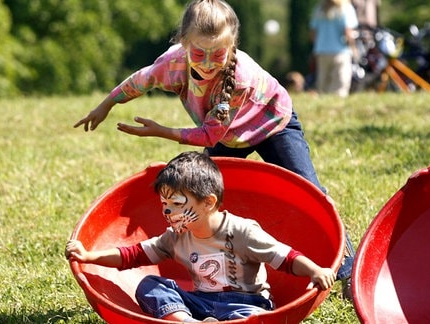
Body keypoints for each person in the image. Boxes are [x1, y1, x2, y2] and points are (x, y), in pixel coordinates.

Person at [73, 0, 355, 292]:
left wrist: (160, 131)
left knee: (310, 191)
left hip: (271, 124)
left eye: (218, 53)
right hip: (227, 136)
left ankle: (347, 271)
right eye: (199, 53)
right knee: (205, 197)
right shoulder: (171, 64)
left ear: (232, 45)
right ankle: (216, 269)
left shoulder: (240, 79)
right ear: (183, 44)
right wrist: (105, 105)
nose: (207, 63)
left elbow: (209, 135)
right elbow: (137, 82)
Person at [65, 151, 336, 322]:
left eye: (178, 204)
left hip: (246, 303)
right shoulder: (176, 237)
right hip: (201, 304)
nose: (169, 212)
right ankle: (188, 323)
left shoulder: (242, 231)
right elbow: (133, 255)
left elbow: (285, 257)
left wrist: (315, 270)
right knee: (149, 285)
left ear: (208, 202)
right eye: (165, 204)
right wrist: (90, 256)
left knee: (254, 319)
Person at [309, 0, 359, 97]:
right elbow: (348, 32)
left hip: (321, 51)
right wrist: (354, 48)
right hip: (341, 51)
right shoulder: (346, 8)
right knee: (340, 86)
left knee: (323, 84)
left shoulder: (319, 8)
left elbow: (312, 34)